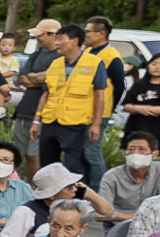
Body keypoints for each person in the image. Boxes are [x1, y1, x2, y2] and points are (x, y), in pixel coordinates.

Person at [35, 16, 120, 187]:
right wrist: (36, 120)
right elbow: (46, 93)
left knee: (75, 165)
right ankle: (49, 197)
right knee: (48, 164)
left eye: (60, 39)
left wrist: (97, 123)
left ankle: (84, 198)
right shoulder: (56, 63)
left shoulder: (96, 63)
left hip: (76, 123)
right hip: (51, 120)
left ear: (74, 41)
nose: (57, 43)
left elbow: (100, 95)